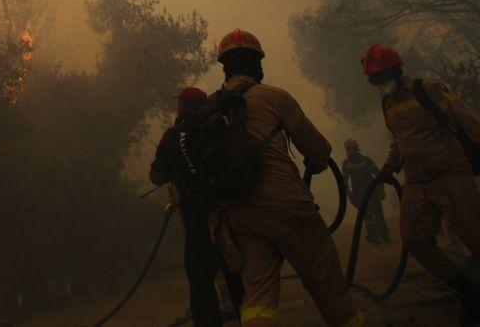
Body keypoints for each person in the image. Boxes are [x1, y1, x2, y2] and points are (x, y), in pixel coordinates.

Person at [213, 29, 363, 327]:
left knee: (257, 294)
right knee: (325, 281)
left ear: (225, 67)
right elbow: (317, 150)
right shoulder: (275, 97)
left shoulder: (211, 106)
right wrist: (316, 162)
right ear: (257, 64)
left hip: (240, 214)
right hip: (287, 205)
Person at [362, 44, 480, 325]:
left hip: (451, 175)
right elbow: (400, 140)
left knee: (476, 239)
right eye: (375, 81)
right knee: (415, 240)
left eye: (383, 78)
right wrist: (390, 166)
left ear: (397, 71)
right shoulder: (386, 103)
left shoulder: (427, 89)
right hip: (416, 182)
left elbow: (470, 121)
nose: (381, 84)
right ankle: (469, 290)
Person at [150, 87, 244, 327]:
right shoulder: (218, 126)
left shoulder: (173, 136)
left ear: (182, 106)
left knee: (201, 282)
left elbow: (156, 176)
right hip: (228, 212)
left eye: (178, 103)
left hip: (197, 220)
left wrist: (176, 166)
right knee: (237, 274)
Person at [341, 138, 392, 244]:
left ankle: (385, 237)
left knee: (379, 215)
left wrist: (381, 189)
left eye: (351, 149)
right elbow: (344, 181)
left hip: (372, 192)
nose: (349, 152)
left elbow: (378, 175)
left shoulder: (367, 160)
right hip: (359, 195)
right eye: (348, 149)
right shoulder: (346, 164)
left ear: (356, 149)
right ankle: (374, 237)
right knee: (368, 217)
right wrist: (350, 195)